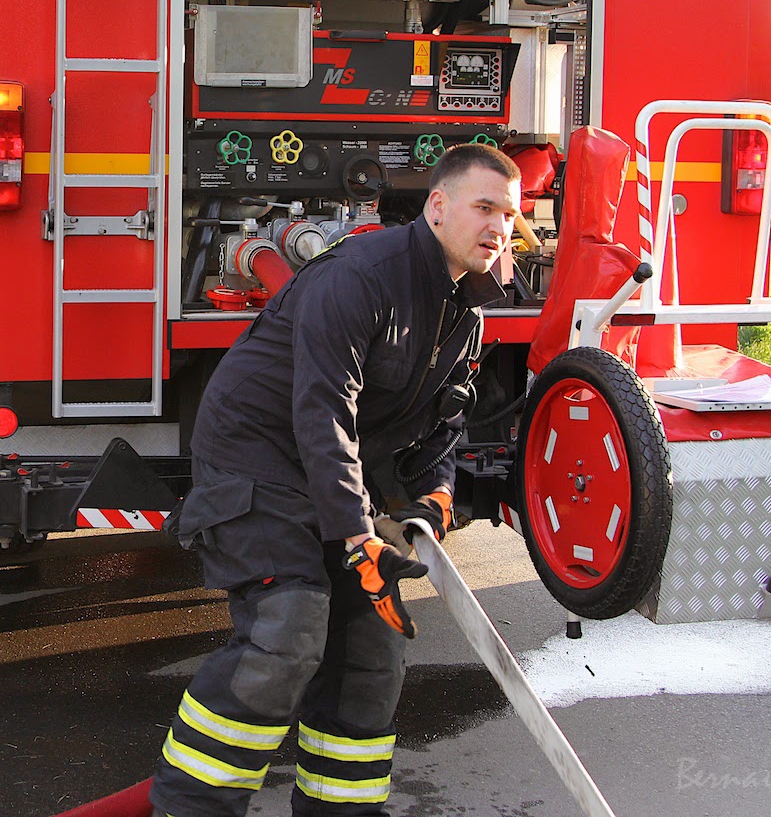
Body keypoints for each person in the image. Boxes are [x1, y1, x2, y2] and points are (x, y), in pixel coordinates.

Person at [148, 143, 520, 817]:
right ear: (437, 207)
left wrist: (430, 500)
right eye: (483, 207)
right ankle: (191, 806)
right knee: (286, 630)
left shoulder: (465, 312)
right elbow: (321, 411)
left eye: (509, 214)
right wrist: (355, 535)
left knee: (370, 654)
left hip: (333, 473)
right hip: (255, 460)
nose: (497, 226)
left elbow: (441, 425)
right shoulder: (360, 276)